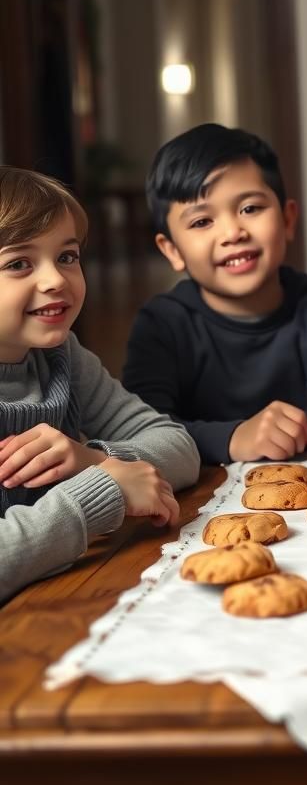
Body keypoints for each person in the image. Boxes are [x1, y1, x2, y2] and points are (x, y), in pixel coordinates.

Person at [0, 167, 199, 602]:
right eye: (18, 263)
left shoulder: (61, 358)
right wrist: (101, 489)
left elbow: (178, 447)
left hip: (60, 596)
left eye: (67, 256)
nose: (55, 279)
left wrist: (92, 458)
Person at [122, 124, 307, 465]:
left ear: (288, 219)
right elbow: (142, 433)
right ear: (171, 249)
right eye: (202, 222)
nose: (232, 232)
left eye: (250, 209)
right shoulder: (161, 325)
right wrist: (234, 437)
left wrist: (287, 431)